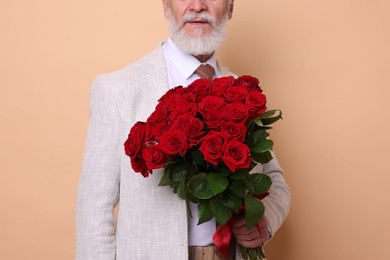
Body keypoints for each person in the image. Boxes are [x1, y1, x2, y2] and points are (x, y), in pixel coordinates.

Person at [76, 0, 290, 259]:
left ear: (231, 7)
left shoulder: (243, 93)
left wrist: (264, 219)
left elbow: (275, 182)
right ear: (166, 6)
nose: (198, 5)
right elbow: (93, 213)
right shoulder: (117, 90)